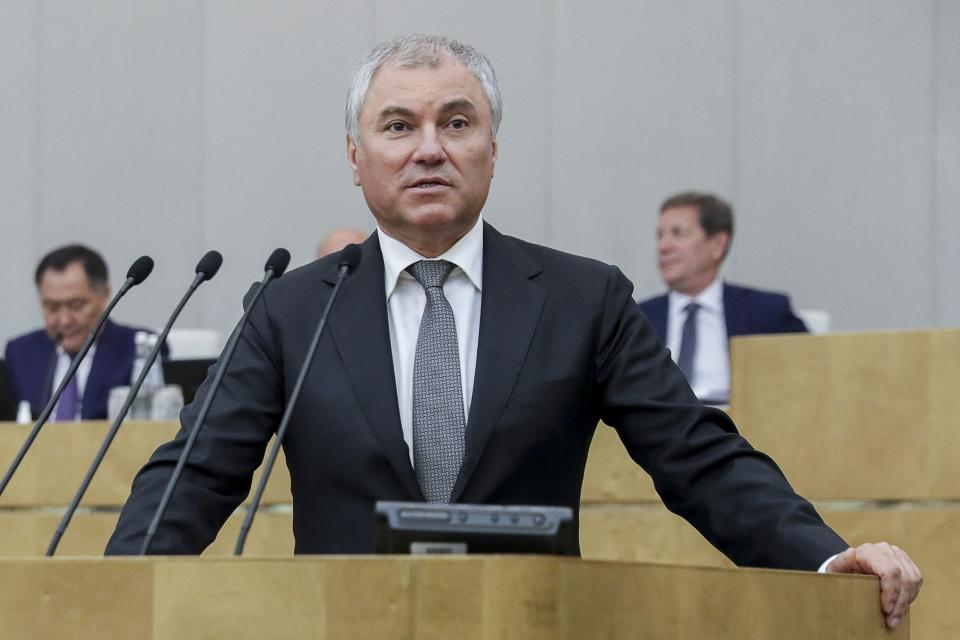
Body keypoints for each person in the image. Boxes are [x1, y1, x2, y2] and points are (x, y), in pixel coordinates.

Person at [106, 35, 920, 628]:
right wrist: (114, 596)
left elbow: (697, 457)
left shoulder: (581, 297)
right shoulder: (290, 310)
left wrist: (823, 555)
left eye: (457, 123)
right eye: (398, 127)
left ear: (493, 149)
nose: (430, 150)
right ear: (355, 157)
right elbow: (196, 475)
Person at [638, 192, 808, 403]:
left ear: (717, 245)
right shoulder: (638, 317)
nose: (663, 247)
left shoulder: (766, 310)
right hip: (658, 429)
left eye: (678, 233)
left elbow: (809, 375)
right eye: (660, 235)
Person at [3, 244, 166, 421]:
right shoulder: (20, 352)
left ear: (104, 295)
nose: (64, 320)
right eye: (52, 308)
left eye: (76, 306)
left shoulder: (140, 347)